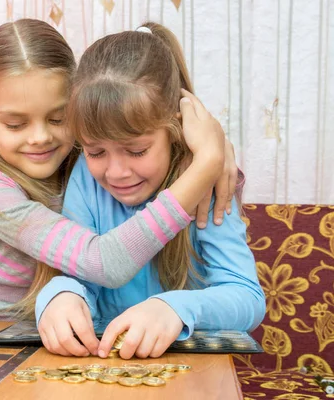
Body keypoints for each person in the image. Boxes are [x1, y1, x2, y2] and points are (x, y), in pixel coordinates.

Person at [0, 19, 239, 320]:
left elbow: (143, 100)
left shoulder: (82, 158)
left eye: (59, 119)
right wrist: (206, 164)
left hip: (40, 339)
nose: (41, 137)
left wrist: (211, 143)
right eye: (16, 124)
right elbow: (103, 263)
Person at [35, 22, 266, 359]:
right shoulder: (84, 176)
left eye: (137, 151)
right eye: (96, 152)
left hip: (192, 373)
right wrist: (60, 295)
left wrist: (175, 308)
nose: (116, 172)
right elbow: (78, 272)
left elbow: (247, 298)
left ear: (174, 129)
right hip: (104, 369)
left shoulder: (205, 180)